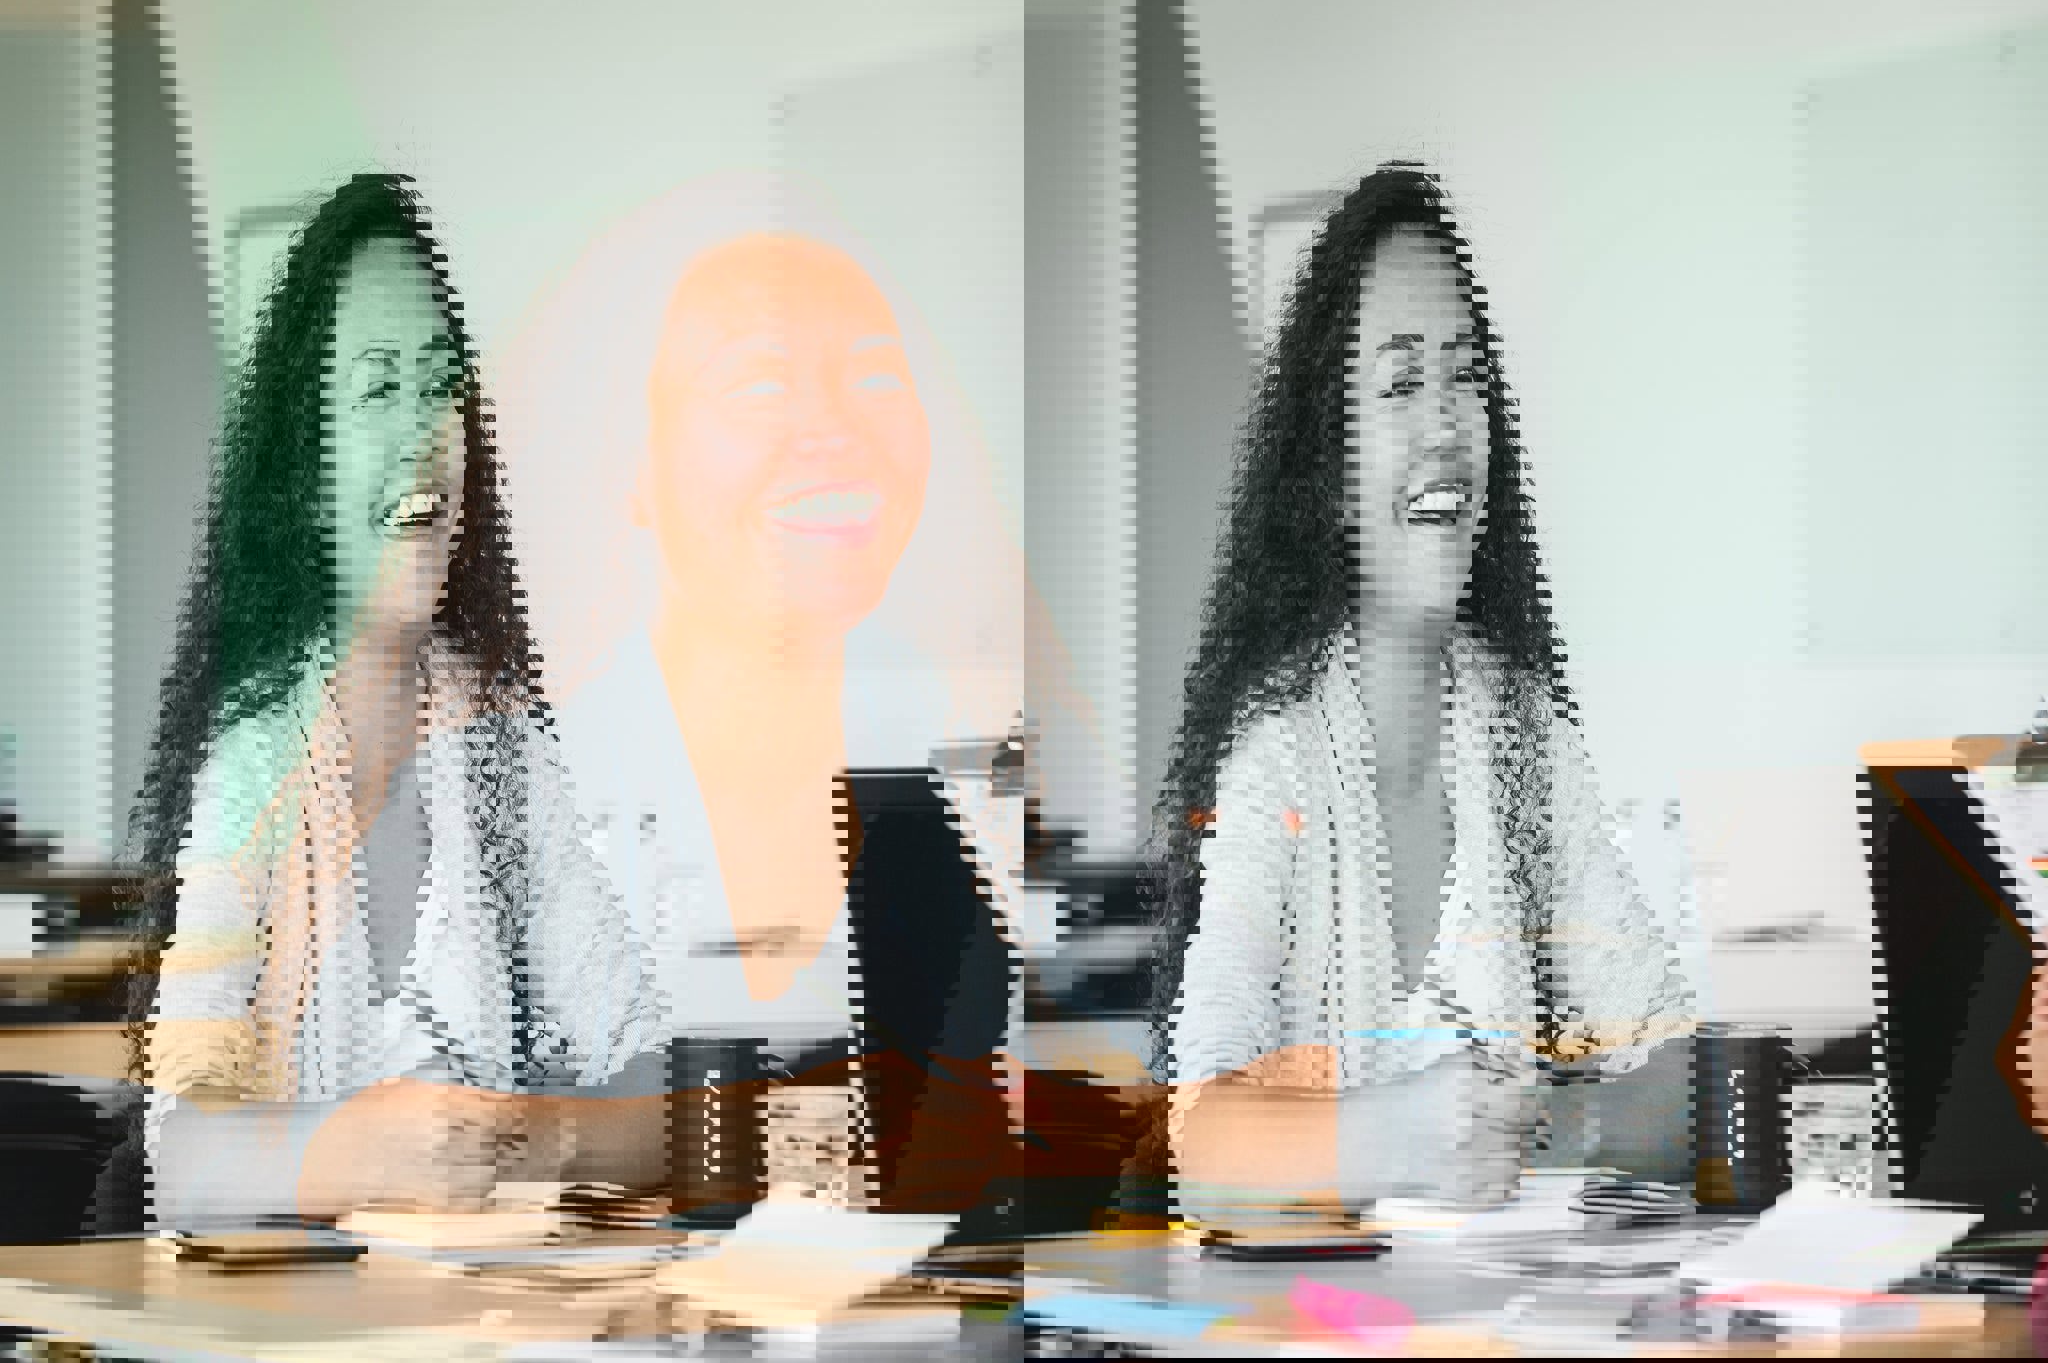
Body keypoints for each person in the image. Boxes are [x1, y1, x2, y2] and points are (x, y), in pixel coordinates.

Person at [499, 178, 1019, 1319]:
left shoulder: (974, 775)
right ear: (631, 466)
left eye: (875, 375)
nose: (831, 425)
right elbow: (433, 1152)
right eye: (759, 381)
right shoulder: (526, 798)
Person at [1146, 164, 1695, 1227]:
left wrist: (1538, 1130)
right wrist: (1391, 1137)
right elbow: (1200, 1147)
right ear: (1328, 467)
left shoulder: (1517, 730)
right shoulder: (1280, 749)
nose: (1446, 422)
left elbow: (1677, 1077)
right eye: (1399, 384)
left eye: (1464, 376)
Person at [118, 174, 668, 1229]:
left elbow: (651, 1093)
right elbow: (180, 1157)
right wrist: (366, 1146)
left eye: (439, 386)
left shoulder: (499, 754)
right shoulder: (251, 767)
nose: (424, 429)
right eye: (377, 388)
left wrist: (529, 1136)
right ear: (305, 473)